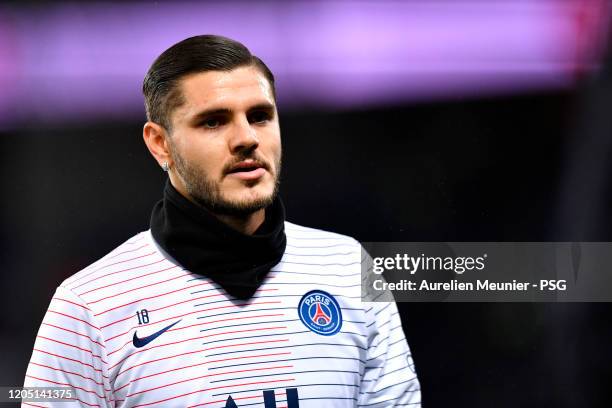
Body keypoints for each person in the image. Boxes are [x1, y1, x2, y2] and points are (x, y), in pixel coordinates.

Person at [23, 35, 421, 407]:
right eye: (214, 121)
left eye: (260, 116)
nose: (246, 138)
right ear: (160, 144)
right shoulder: (88, 306)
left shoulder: (348, 267)